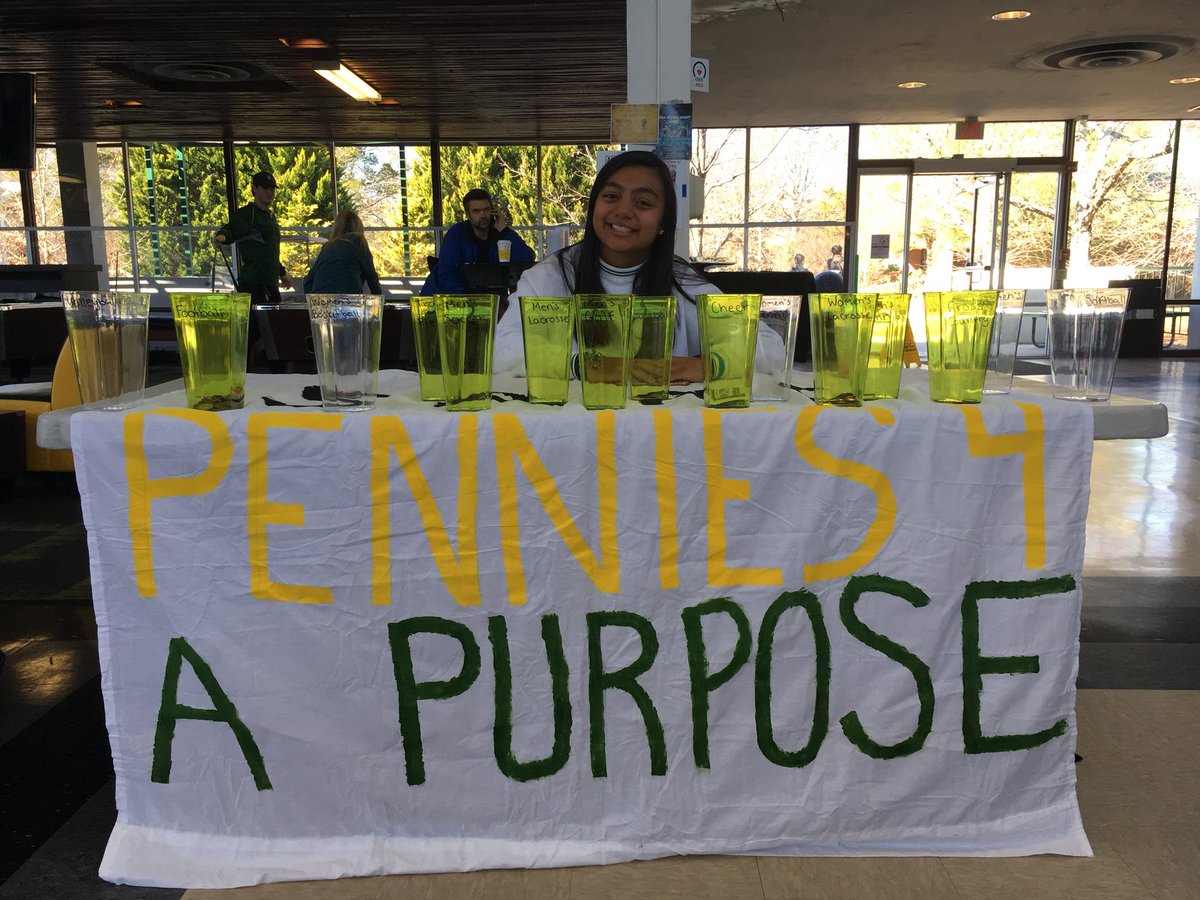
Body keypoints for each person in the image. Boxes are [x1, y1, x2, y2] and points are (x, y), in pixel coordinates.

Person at [493, 150, 780, 384]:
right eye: (611, 196)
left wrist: (710, 365)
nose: (623, 211)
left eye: (643, 202)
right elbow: (501, 350)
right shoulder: (552, 276)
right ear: (594, 207)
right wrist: (586, 366)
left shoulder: (683, 282)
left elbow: (771, 347)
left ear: (663, 223)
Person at [421, 189, 534, 295]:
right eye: (476, 211)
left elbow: (527, 260)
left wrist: (504, 230)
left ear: (492, 210)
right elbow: (447, 272)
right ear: (468, 214)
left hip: (492, 297)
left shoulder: (501, 234)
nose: (483, 215)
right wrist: (468, 300)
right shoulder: (457, 234)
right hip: (451, 297)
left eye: (486, 210)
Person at [303, 210, 383, 295]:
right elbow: (371, 277)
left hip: (322, 301)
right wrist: (379, 298)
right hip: (348, 300)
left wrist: (311, 300)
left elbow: (309, 280)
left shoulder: (328, 247)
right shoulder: (359, 243)